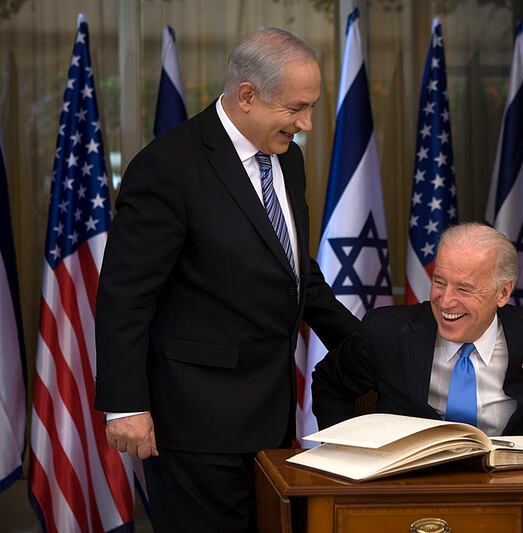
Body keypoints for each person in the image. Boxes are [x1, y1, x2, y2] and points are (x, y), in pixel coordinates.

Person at [94, 28, 359, 531]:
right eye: (296, 109)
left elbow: (294, 270)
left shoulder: (289, 158)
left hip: (269, 415)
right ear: (247, 96)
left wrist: (369, 346)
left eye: (312, 108)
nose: (305, 124)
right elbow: (126, 294)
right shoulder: (168, 166)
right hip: (195, 422)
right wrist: (124, 405)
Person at [312, 223, 523, 444]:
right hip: (408, 486)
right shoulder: (386, 332)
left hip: (507, 487)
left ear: (503, 293)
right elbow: (328, 382)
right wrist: (349, 453)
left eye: (464, 288)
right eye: (439, 282)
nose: (446, 301)